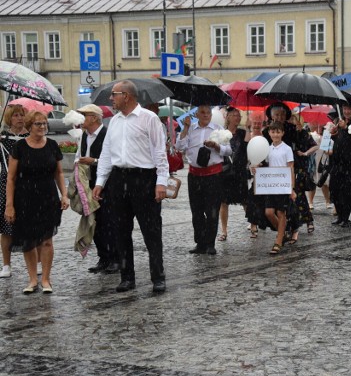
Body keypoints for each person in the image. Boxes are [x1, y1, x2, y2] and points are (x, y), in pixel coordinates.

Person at [92, 80, 169, 293]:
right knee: (121, 231)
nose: (111, 98)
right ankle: (127, 277)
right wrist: (100, 182)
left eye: (114, 94)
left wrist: (161, 181)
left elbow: (159, 152)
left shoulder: (149, 118)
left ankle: (158, 277)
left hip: (144, 178)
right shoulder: (114, 121)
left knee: (151, 231)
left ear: (126, 96)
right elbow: (107, 154)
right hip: (118, 179)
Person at [4, 110, 70, 294]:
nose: (42, 127)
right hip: (24, 198)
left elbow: (58, 172)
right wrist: (9, 205)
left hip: (48, 197)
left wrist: (64, 194)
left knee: (47, 241)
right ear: (29, 126)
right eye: (38, 124)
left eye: (44, 124)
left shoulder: (52, 145)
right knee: (29, 241)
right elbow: (11, 178)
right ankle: (33, 279)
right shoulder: (19, 147)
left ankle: (46, 280)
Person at [176, 104, 231, 255]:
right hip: (194, 175)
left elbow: (229, 150)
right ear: (197, 115)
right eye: (202, 112)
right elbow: (179, 146)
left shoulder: (218, 129)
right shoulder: (191, 128)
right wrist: (185, 128)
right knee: (197, 211)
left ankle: (210, 243)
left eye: (208, 112)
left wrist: (217, 146)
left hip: (213, 175)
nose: (206, 115)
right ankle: (200, 243)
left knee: (212, 211)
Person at [74, 104, 118, 273]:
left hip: (108, 184)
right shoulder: (84, 136)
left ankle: (115, 258)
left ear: (93, 117)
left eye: (84, 115)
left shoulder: (108, 134)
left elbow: (115, 160)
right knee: (95, 222)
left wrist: (94, 161)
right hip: (90, 184)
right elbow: (80, 156)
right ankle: (103, 257)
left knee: (110, 222)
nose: (81, 119)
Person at [0, 104, 29, 278]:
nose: (19, 118)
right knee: (6, 226)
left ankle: (36, 262)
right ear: (9, 118)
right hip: (5, 183)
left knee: (32, 224)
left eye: (21, 115)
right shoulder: (3, 138)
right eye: (15, 115)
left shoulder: (30, 137)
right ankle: (6, 265)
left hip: (27, 182)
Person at [260, 122, 295, 255]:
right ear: (269, 133)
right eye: (273, 132)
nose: (275, 134)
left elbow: (291, 168)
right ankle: (283, 232)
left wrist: (292, 188)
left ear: (282, 133)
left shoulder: (287, 149)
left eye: (278, 132)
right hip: (271, 184)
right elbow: (263, 163)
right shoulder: (268, 149)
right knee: (269, 212)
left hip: (283, 184)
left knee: (281, 213)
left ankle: (278, 241)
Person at [218, 106, 250, 241]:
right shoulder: (221, 133)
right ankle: (224, 231)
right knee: (223, 202)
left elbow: (249, 145)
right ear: (228, 117)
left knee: (245, 200)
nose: (237, 117)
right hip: (225, 171)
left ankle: (252, 224)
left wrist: (248, 128)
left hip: (240, 170)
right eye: (235, 115)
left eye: (239, 115)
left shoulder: (242, 133)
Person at [329, 105, 351, 227]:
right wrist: (333, 134)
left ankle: (346, 217)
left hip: (350, 164)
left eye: (349, 109)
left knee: (348, 191)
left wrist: (347, 128)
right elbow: (337, 140)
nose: (346, 111)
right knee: (335, 189)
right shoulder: (339, 122)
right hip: (337, 162)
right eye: (345, 109)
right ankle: (340, 215)